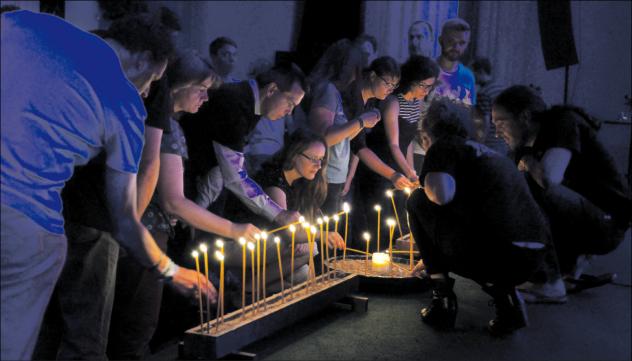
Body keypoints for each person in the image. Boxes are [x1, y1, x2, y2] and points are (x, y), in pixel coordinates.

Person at [1, 10, 213, 360]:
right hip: (30, 229)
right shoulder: (125, 105)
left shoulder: (34, 25)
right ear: (143, 58)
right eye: (151, 80)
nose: (147, 92)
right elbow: (126, 222)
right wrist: (172, 271)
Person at [107, 49, 258, 359]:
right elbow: (173, 201)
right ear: (178, 85)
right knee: (135, 327)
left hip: (136, 232)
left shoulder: (171, 124)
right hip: (144, 234)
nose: (205, 99)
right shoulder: (167, 129)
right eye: (201, 90)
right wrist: (234, 229)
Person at [407, 98, 551, 336]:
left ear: (428, 131)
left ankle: (442, 300)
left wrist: (434, 251)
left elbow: (441, 196)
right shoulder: (483, 152)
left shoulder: (444, 146)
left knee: (416, 200)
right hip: (532, 257)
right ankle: (508, 306)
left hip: (498, 256)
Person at [492, 85, 632, 301]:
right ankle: (568, 270)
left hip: (609, 224)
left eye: (501, 122)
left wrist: (527, 162)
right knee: (518, 187)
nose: (497, 132)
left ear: (525, 117)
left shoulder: (563, 122)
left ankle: (549, 282)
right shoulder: (526, 145)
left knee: (530, 184)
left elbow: (549, 178)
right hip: (589, 218)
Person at [180, 62, 308, 238]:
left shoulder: (248, 102)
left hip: (202, 183)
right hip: (183, 180)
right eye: (290, 103)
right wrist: (279, 214)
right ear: (271, 89)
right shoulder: (235, 104)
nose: (289, 112)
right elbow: (234, 175)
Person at [223, 130, 346, 297]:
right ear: (294, 155)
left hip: (271, 248)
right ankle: (248, 290)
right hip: (238, 245)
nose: (318, 166)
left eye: (321, 160)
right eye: (313, 159)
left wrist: (303, 236)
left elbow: (297, 232)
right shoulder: (274, 183)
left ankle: (247, 291)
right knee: (311, 247)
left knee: (302, 274)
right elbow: (288, 230)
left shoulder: (301, 184)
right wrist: (316, 235)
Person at [299, 39, 381, 216]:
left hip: (333, 176)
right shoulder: (327, 90)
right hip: (322, 176)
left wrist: (361, 123)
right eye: (356, 67)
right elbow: (323, 138)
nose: (357, 74)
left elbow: (341, 138)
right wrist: (360, 122)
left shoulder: (336, 93)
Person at [341, 56, 416, 248]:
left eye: (394, 85)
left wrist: (349, 176)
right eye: (387, 83)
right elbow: (359, 145)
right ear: (372, 76)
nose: (390, 89)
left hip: (344, 168)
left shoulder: (371, 102)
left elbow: (358, 145)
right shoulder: (353, 97)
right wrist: (392, 175)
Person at [470, 57, 509, 155]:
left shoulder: (484, 93)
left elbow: (484, 123)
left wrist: (479, 144)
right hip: (504, 141)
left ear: (480, 71)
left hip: (490, 143)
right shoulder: (501, 88)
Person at [433, 18, 476, 106]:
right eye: (450, 41)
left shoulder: (467, 77)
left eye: (462, 43)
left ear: (468, 44)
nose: (456, 47)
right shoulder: (426, 71)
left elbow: (469, 112)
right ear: (441, 40)